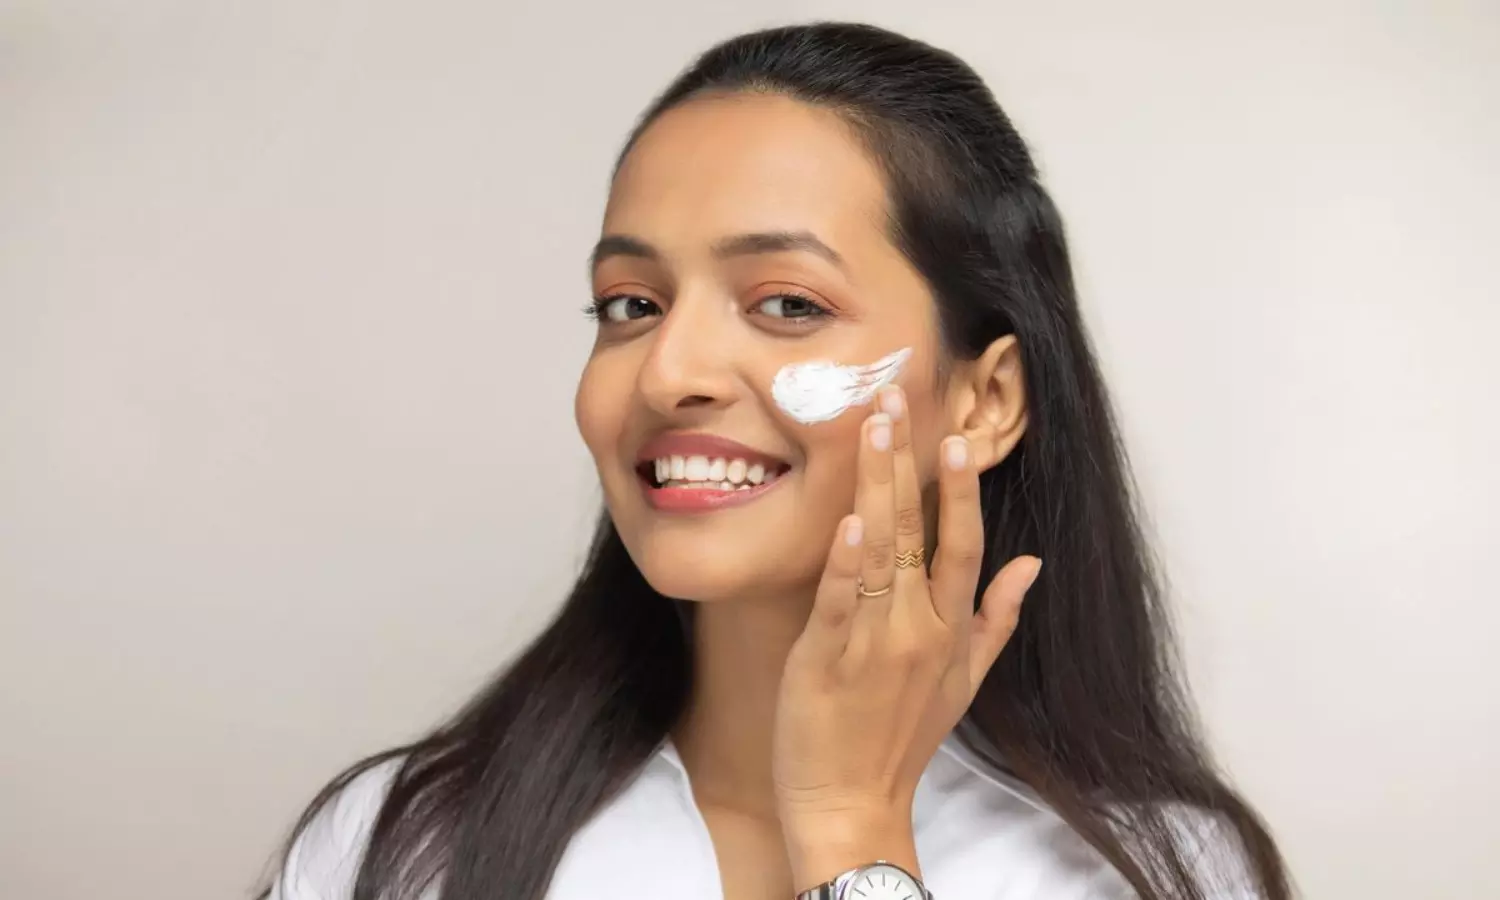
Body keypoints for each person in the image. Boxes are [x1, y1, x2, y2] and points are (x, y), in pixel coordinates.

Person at [258, 21, 1290, 900]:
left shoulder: (1155, 871)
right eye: (631, 304)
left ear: (985, 399)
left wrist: (852, 831)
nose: (668, 372)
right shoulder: (398, 849)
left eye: (787, 303)